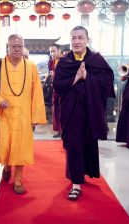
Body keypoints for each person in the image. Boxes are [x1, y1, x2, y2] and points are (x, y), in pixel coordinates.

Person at [53, 26, 115, 200]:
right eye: (73, 38)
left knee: (87, 143)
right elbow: (58, 86)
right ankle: (75, 183)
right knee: (72, 144)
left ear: (88, 40)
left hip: (90, 111)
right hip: (71, 111)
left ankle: (83, 173)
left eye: (80, 37)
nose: (77, 41)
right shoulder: (64, 62)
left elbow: (107, 83)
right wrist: (76, 78)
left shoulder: (97, 60)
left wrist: (88, 77)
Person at [0, 34, 46, 194]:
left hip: (23, 115)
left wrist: (35, 117)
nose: (17, 49)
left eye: (20, 46)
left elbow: (37, 93)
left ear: (23, 46)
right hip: (5, 115)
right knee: (6, 145)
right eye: (14, 46)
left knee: (21, 147)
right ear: (8, 46)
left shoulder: (31, 66)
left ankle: (18, 179)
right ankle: (7, 166)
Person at [48, 44, 62, 138]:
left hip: (63, 89)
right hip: (55, 88)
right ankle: (59, 130)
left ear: (59, 51)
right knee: (56, 109)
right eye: (51, 51)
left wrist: (55, 75)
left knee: (63, 109)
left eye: (54, 51)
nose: (52, 53)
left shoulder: (64, 61)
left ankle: (64, 130)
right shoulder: (51, 62)